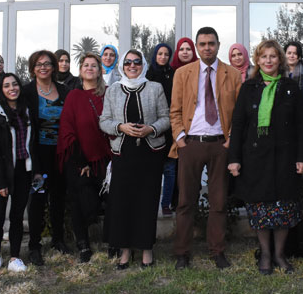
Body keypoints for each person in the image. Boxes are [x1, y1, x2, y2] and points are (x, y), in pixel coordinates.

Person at [226, 40, 303, 275]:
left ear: (280, 59)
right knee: (260, 207)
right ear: (258, 60)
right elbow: (238, 125)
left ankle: (279, 254)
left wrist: (302, 157)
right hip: (255, 158)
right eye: (264, 57)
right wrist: (234, 158)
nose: (268, 60)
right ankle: (264, 253)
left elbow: (301, 125)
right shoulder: (249, 87)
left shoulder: (290, 87)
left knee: (284, 206)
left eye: (273, 56)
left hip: (285, 158)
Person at [169, 27, 244, 270]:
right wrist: (181, 140)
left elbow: (239, 113)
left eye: (211, 43)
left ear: (218, 45)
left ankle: (217, 251)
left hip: (220, 145)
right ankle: (182, 253)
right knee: (185, 201)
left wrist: (230, 139)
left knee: (219, 202)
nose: (207, 48)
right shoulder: (183, 73)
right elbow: (175, 110)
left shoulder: (232, 74)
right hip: (191, 144)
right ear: (197, 47)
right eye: (202, 44)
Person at [100, 49, 171, 270]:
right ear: (122, 66)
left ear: (143, 65)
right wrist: (120, 127)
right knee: (123, 203)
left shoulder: (155, 88)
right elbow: (104, 121)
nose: (132, 66)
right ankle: (125, 250)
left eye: (137, 62)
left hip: (150, 154)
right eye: (128, 62)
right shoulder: (113, 90)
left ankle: (146, 249)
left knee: (146, 202)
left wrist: (151, 129)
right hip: (123, 154)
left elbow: (166, 118)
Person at [56, 53, 109, 263]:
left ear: (99, 70)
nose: (89, 68)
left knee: (111, 200)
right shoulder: (73, 96)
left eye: (94, 65)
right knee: (80, 203)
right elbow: (67, 130)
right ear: (80, 70)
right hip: (79, 160)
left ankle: (113, 242)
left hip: (106, 158)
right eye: (86, 65)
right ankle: (83, 244)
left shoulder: (108, 94)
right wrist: (81, 161)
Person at [0, 73, 33, 275]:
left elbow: (32, 143)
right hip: (0, 172)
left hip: (22, 170)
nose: (12, 88)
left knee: (17, 216)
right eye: (7, 85)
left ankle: (15, 257)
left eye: (15, 84)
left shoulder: (27, 111)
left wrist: (35, 170)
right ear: (1, 90)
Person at [24, 50, 70, 265]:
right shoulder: (26, 92)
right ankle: (34, 245)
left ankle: (58, 239)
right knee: (37, 198)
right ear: (33, 68)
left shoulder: (64, 90)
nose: (43, 67)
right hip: (37, 154)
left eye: (47, 63)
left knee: (58, 198)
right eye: (38, 64)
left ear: (53, 67)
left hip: (60, 153)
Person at [148, 42, 180, 216]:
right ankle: (151, 204)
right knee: (153, 170)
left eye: (166, 54)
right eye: (160, 54)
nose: (163, 57)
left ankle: (166, 203)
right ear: (155, 55)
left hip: (170, 125)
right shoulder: (148, 75)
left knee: (169, 169)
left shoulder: (173, 74)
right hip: (153, 126)